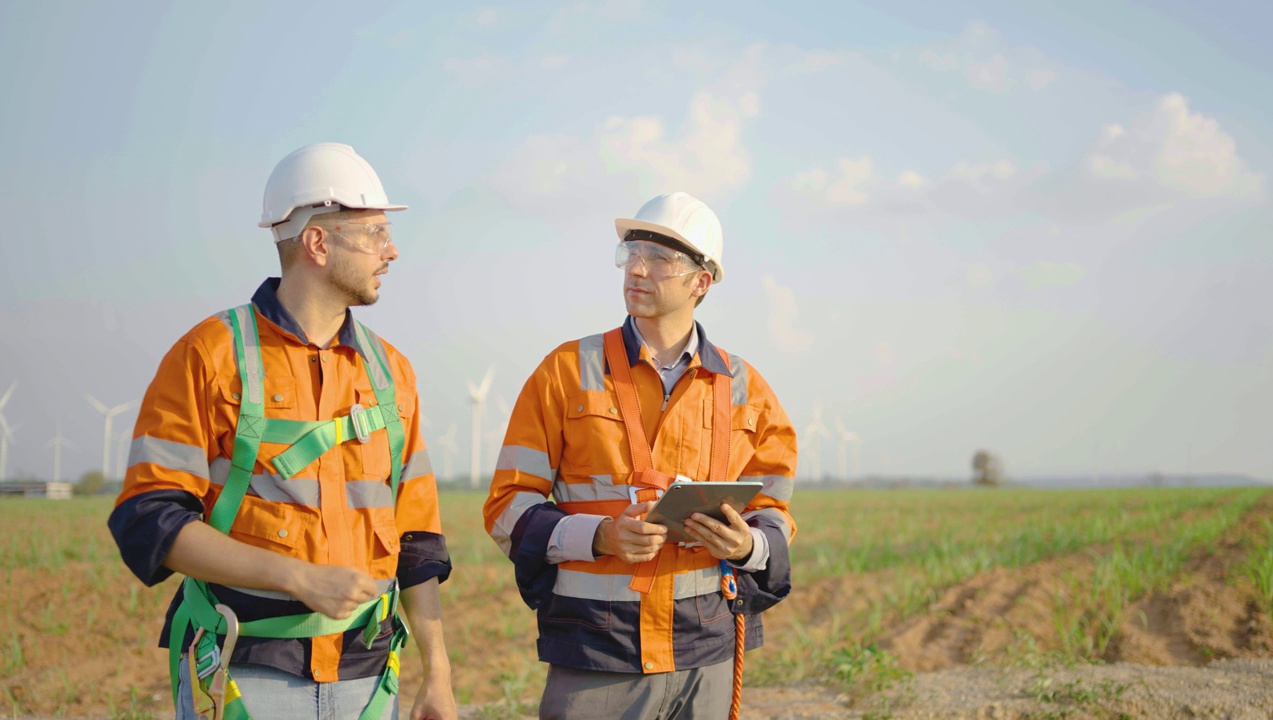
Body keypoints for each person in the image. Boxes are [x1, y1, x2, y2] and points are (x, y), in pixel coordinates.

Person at [108, 142, 457, 720]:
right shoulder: (209, 356)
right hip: (245, 674)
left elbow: (416, 540)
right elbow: (149, 521)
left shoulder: (391, 373)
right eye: (373, 232)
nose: (391, 251)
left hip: (370, 681)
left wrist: (438, 675)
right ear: (318, 243)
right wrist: (296, 578)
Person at [483, 192, 797, 720]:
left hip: (707, 652)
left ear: (702, 282)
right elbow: (507, 508)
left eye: (661, 259)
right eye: (631, 254)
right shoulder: (564, 371)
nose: (638, 269)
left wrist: (748, 546)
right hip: (597, 654)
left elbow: (775, 515)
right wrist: (601, 536)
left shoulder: (747, 389)